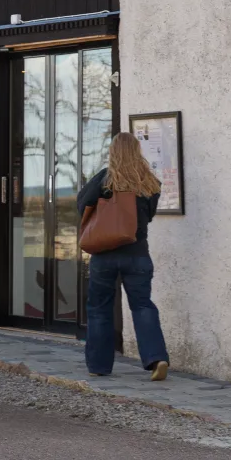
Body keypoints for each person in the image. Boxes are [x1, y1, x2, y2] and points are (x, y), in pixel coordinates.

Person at [77, 132, 169, 380]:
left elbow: (81, 203)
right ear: (137, 150)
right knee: (142, 305)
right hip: (137, 254)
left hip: (105, 254)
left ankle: (99, 365)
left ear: (114, 152)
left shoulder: (105, 179)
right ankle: (156, 358)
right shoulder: (150, 182)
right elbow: (147, 217)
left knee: (99, 308)